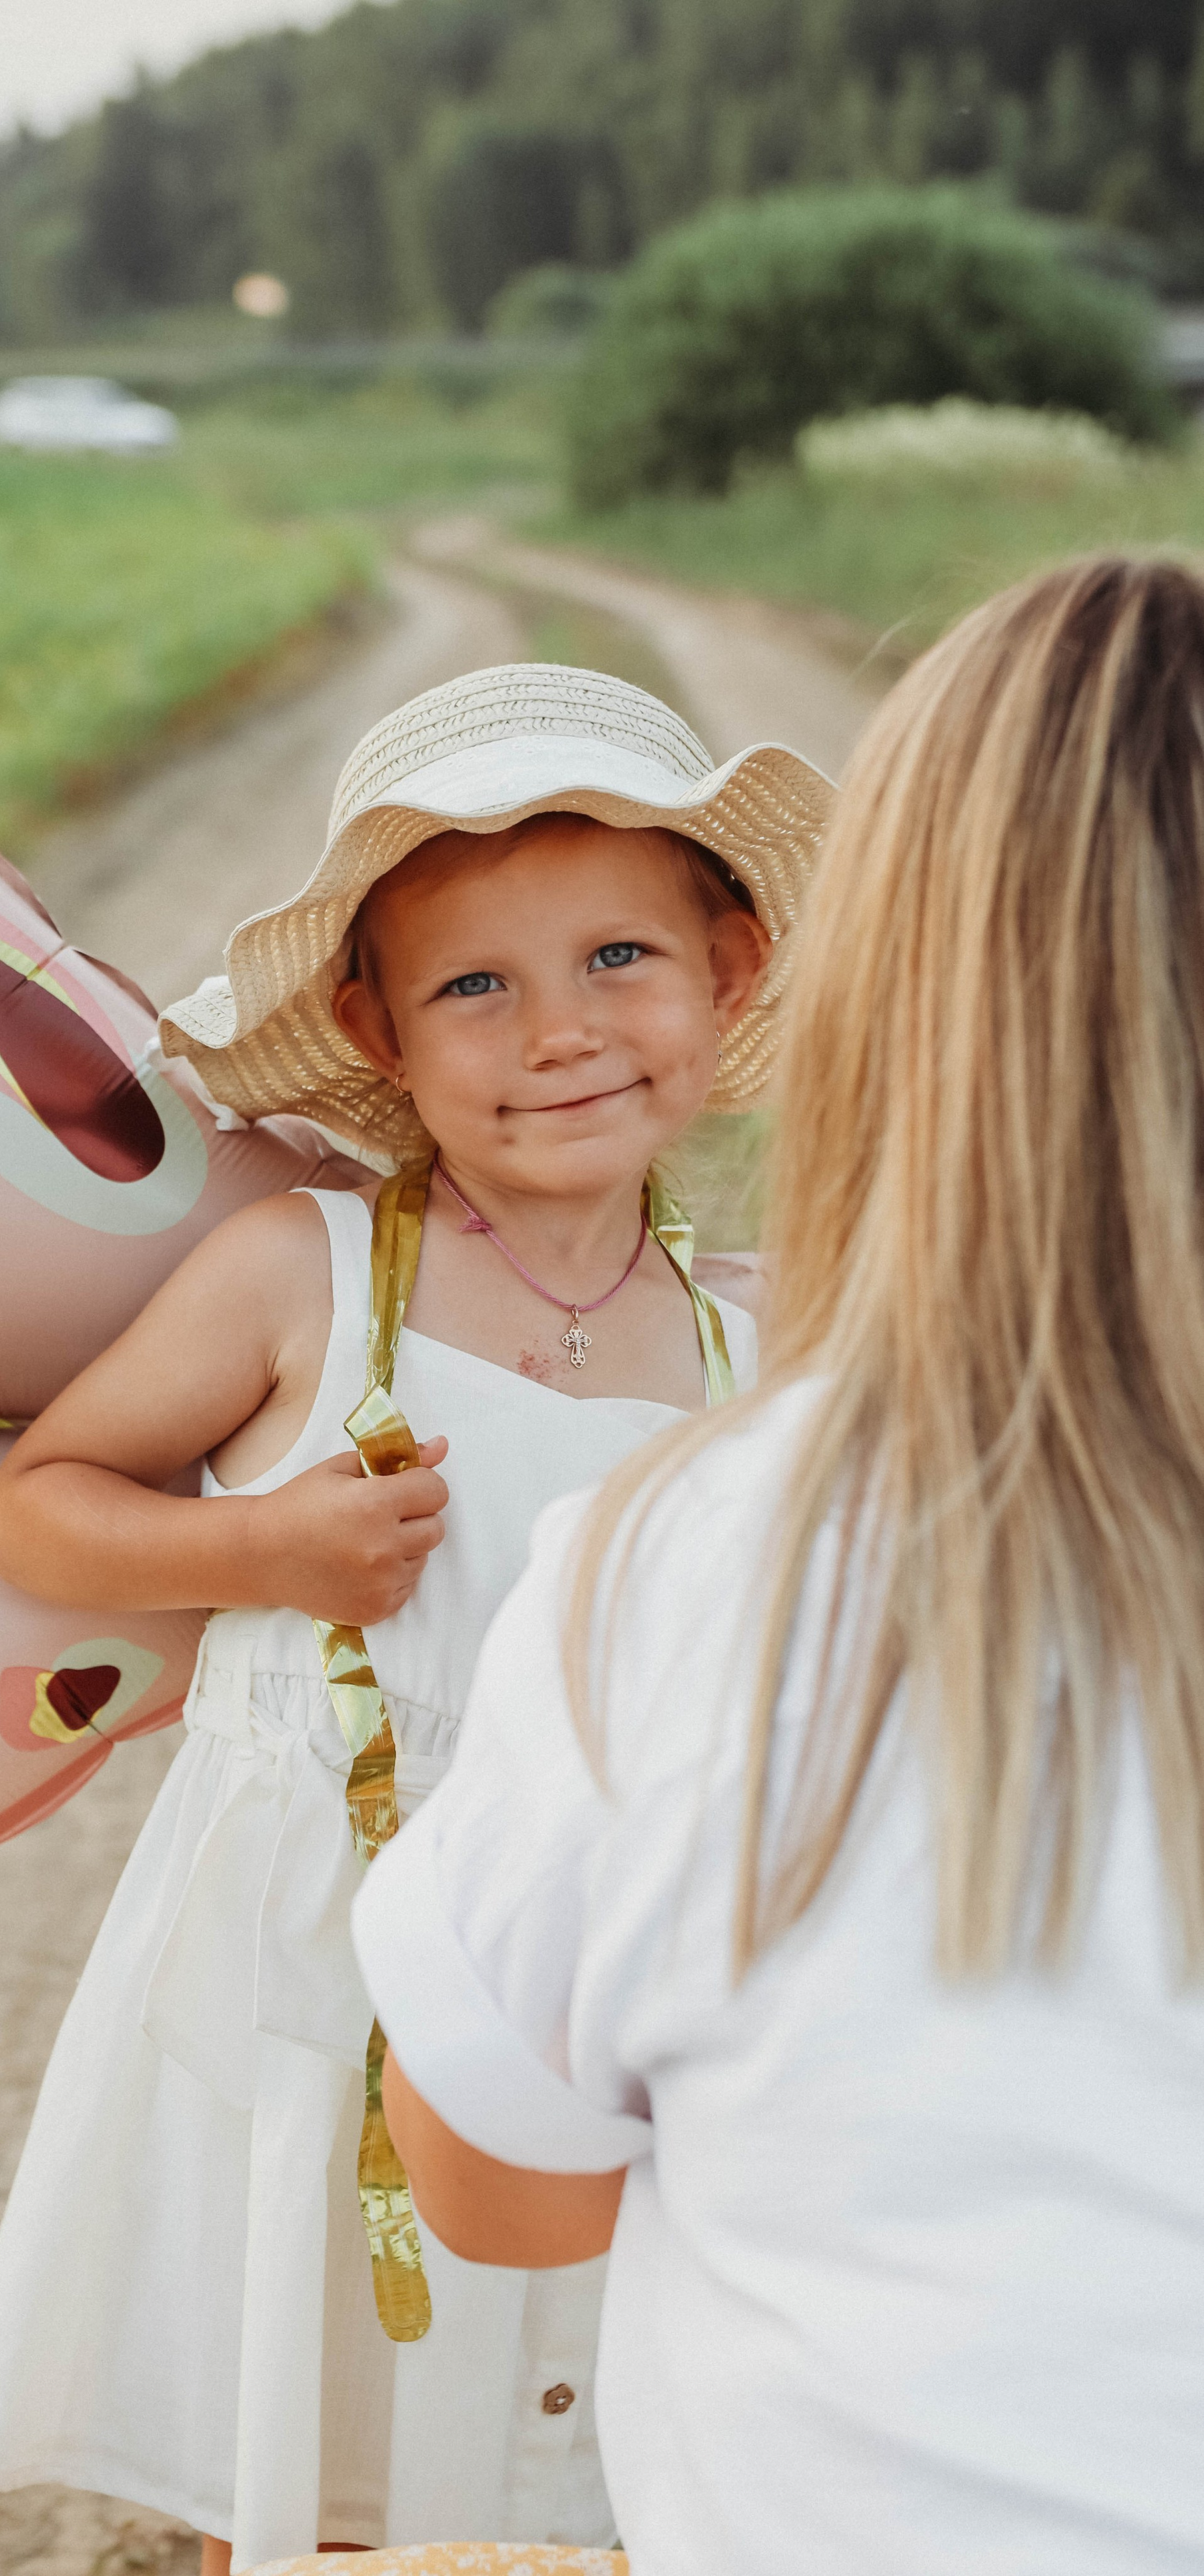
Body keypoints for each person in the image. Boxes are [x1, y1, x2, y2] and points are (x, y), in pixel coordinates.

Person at [354, 558, 1204, 2575]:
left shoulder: (685, 1558)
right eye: (477, 984)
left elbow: (496, 2190)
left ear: (843, 1004)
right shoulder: (332, 1305)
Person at [0, 664, 832, 2570]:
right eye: (476, 987)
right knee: (320, 2457)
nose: (560, 1034)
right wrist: (263, 1554)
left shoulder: (763, 1347)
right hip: (318, 1972)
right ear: (378, 1026)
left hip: (601, 1983)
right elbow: (40, 1507)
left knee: (578, 2466)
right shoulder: (306, 1276)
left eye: (618, 961)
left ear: (730, 970)